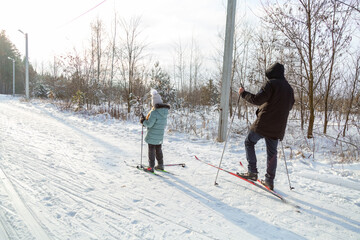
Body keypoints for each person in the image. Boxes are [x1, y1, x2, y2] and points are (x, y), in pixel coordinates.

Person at [237, 62, 294, 190]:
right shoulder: (289, 89)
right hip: (278, 127)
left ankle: (252, 172)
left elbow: (257, 99)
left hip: (264, 124)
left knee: (249, 142)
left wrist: (243, 93)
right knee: (272, 153)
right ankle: (269, 181)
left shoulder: (271, 84)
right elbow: (289, 106)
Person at [140, 89, 170, 173]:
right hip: (160, 135)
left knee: (151, 151)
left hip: (153, 135)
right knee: (158, 150)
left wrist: (143, 121)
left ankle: (151, 167)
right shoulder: (164, 112)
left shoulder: (154, 113)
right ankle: (160, 165)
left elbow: (149, 124)